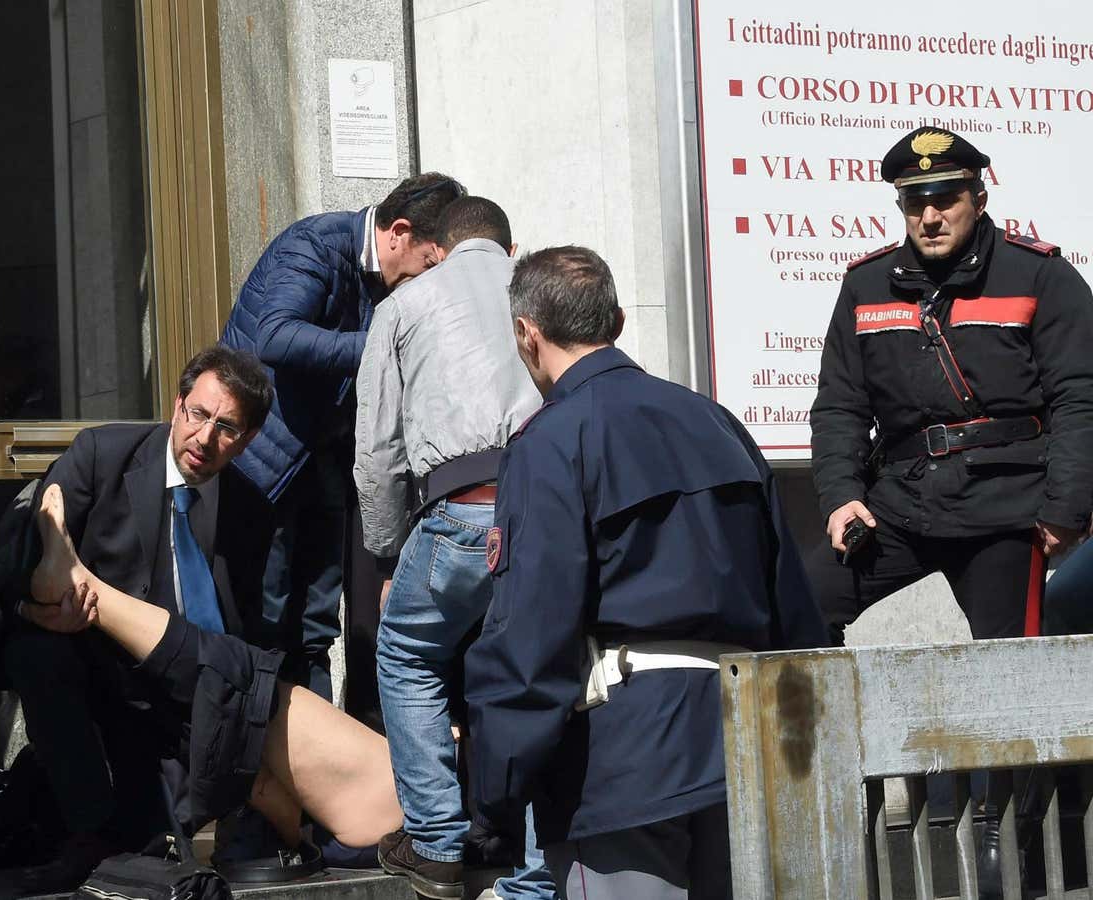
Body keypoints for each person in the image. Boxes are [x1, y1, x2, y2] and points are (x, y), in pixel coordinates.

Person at [465, 246, 828, 899]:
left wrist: (494, 798)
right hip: (743, 750)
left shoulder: (550, 441)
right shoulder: (716, 423)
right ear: (619, 321)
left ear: (527, 332)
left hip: (622, 761)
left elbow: (530, 635)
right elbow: (793, 610)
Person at [807, 127, 1093, 897]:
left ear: (979, 196)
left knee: (1007, 681)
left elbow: (1078, 398)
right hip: (900, 502)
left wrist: (1064, 508)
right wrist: (840, 497)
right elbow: (838, 405)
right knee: (810, 604)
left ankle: (1014, 850)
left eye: (944, 198)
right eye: (914, 201)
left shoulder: (1041, 277)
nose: (929, 215)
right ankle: (834, 818)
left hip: (1008, 507)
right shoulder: (868, 285)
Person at [0, 345, 280, 892]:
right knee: (34, 651)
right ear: (178, 404)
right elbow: (12, 571)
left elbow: (251, 624)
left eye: (227, 428)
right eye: (199, 415)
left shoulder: (251, 511)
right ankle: (86, 829)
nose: (205, 438)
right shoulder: (103, 454)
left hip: (189, 684)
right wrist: (39, 608)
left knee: (156, 855)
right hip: (99, 664)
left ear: (246, 440)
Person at [22, 478, 404, 858]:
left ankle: (89, 589)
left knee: (243, 684)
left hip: (385, 810)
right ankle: (87, 590)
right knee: (245, 684)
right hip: (386, 805)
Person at [351, 195, 542, 899]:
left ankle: (434, 840)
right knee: (536, 671)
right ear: (508, 246)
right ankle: (537, 863)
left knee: (404, 653)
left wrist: (386, 552)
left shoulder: (403, 306)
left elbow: (377, 454)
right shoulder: (538, 291)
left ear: (440, 246)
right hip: (542, 514)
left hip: (457, 514)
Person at [221, 172, 466, 698]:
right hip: (264, 469)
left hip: (325, 467)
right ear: (398, 232)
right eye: (428, 265)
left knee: (315, 628)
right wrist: (384, 341)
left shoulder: (387, 280)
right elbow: (276, 335)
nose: (427, 283)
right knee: (267, 620)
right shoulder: (314, 245)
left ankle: (320, 760)